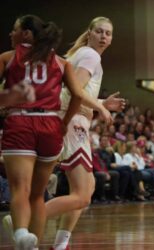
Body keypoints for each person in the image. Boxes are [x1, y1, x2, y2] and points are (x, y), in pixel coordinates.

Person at [0, 15, 82, 250]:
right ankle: (33, 245)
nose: (10, 34)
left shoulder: (7, 57)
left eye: (14, 30)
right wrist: (64, 122)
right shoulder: (61, 62)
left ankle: (21, 234)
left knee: (20, 189)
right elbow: (77, 95)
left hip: (21, 122)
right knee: (38, 194)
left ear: (25, 34)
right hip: (50, 124)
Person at [43, 16, 124, 250]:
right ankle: (24, 220)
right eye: (99, 31)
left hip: (72, 120)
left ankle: (60, 244)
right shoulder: (91, 55)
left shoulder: (82, 54)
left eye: (108, 33)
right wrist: (99, 107)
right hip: (72, 122)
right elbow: (75, 91)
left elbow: (75, 91)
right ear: (89, 33)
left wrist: (101, 102)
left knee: (87, 190)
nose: (103, 36)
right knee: (82, 194)